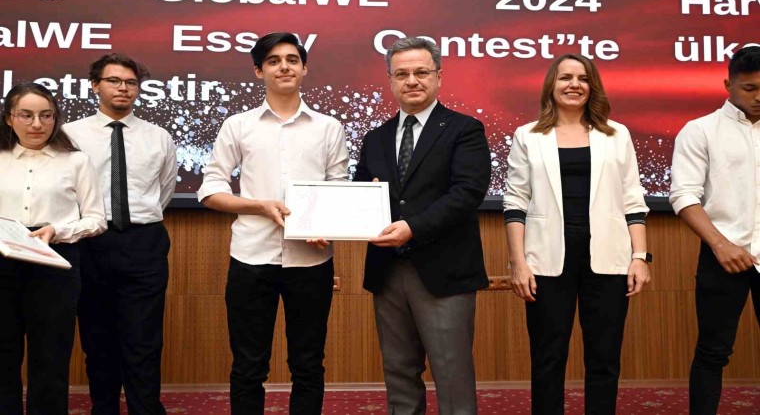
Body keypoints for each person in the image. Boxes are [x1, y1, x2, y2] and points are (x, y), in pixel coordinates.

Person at [198, 32, 349, 415]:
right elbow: (211, 189)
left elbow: (338, 189)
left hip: (311, 261)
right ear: (258, 71)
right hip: (251, 258)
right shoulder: (238, 125)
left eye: (292, 59)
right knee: (248, 366)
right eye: (274, 60)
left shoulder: (328, 127)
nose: (284, 66)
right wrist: (259, 207)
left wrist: (326, 224)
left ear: (304, 68)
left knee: (308, 365)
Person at [503, 54, 650, 415]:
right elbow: (515, 202)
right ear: (551, 85)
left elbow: (633, 200)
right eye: (565, 77)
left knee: (604, 357)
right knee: (547, 358)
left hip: (609, 259)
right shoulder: (528, 135)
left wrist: (639, 257)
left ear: (592, 86)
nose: (574, 85)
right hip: (545, 260)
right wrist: (518, 263)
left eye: (583, 78)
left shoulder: (616, 134)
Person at [354, 37, 491, 415]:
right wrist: (326, 221)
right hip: (387, 271)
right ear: (390, 81)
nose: (411, 80)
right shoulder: (376, 138)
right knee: (398, 371)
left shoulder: (464, 129)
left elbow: (467, 192)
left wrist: (412, 227)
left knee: (451, 372)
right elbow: (360, 195)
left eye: (421, 72)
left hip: (444, 270)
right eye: (401, 74)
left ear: (438, 76)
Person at [63, 54, 178, 415]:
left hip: (143, 242)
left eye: (130, 82)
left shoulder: (158, 137)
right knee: (97, 340)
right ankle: (104, 408)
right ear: (95, 85)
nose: (123, 88)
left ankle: (146, 409)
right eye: (114, 81)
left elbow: (164, 191)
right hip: (89, 242)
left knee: (144, 339)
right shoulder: (70, 135)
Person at [0, 83, 106, 415]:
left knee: (51, 356)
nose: (37, 124)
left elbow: (96, 219)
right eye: (26, 115)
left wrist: (58, 230)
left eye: (46, 116)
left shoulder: (76, 161)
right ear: (9, 118)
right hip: (2, 261)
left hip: (55, 261)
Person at [669, 45, 760, 415]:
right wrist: (720, 245)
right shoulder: (700, 130)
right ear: (728, 85)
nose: (759, 96)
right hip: (721, 255)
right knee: (712, 352)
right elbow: (683, 195)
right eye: (750, 88)